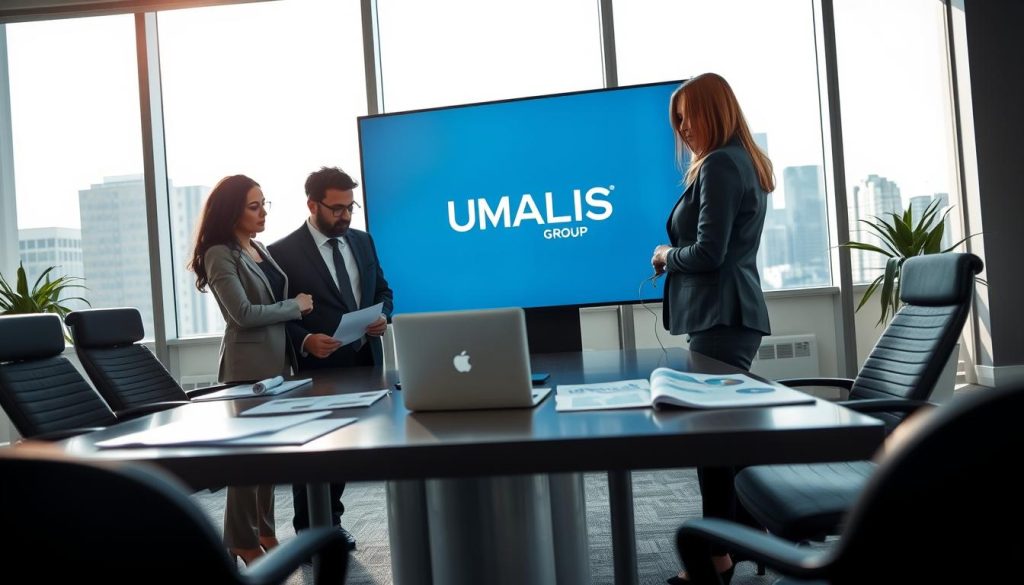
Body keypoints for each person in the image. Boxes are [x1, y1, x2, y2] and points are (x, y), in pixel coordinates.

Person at [650, 73, 774, 585]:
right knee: (721, 438)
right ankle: (743, 538)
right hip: (728, 315)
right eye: (676, 120)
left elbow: (708, 253)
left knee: (711, 443)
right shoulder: (740, 160)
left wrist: (664, 256)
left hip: (722, 316)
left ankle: (718, 559)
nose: (682, 128)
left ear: (713, 111)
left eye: (688, 116)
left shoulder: (722, 164)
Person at [188, 174, 314, 565]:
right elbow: (242, 315)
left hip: (279, 363)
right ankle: (241, 539)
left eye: (264, 204)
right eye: (253, 206)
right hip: (247, 368)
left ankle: (265, 531)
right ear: (231, 211)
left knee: (269, 458)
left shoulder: (256, 247)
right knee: (248, 461)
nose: (262, 213)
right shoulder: (219, 253)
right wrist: (296, 306)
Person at [268, 166, 393, 551]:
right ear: (313, 204)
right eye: (337, 208)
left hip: (364, 358)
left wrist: (383, 316)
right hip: (319, 366)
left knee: (347, 448)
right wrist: (304, 341)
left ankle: (330, 520)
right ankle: (312, 531)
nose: (345, 216)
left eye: (349, 207)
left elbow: (384, 290)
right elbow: (275, 312)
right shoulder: (282, 252)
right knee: (318, 449)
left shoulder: (362, 241)